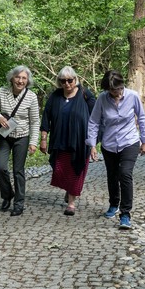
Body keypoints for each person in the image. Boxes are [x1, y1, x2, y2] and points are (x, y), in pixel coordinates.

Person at [87, 70, 145, 230]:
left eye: (119, 89)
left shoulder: (132, 96)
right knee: (112, 175)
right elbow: (94, 122)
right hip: (109, 144)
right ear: (107, 89)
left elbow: (142, 117)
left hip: (129, 141)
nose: (117, 93)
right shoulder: (102, 99)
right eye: (113, 90)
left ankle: (125, 214)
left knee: (125, 174)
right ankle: (114, 204)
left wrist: (144, 140)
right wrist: (92, 145)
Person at [40, 66, 96, 216]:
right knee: (61, 170)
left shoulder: (85, 94)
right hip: (60, 141)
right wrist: (43, 138)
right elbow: (46, 116)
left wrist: (93, 143)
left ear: (75, 79)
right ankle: (69, 189)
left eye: (70, 80)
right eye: (63, 81)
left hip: (80, 142)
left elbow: (96, 118)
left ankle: (71, 203)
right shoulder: (55, 96)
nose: (67, 83)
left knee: (76, 170)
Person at [0, 65, 40, 216]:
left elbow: (35, 121)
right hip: (4, 135)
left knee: (18, 170)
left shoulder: (31, 97)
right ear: (12, 78)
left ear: (27, 80)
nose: (20, 81)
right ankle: (7, 195)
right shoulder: (2, 92)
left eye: (24, 78)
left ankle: (19, 203)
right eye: (18, 77)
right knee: (0, 166)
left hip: (22, 136)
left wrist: (33, 142)